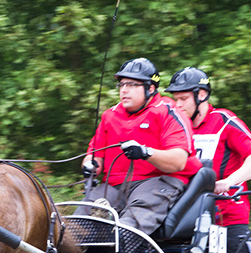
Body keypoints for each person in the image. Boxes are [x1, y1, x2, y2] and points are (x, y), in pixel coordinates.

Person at [80, 57, 202, 234]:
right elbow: (94, 156)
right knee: (75, 228)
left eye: (132, 85)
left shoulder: (168, 111)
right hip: (114, 185)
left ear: (150, 88)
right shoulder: (110, 116)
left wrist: (146, 152)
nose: (124, 90)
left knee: (125, 233)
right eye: (121, 85)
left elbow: (178, 162)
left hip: (158, 181)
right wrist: (89, 165)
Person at [166, 67, 251, 253]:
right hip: (185, 219)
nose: (177, 105)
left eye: (183, 99)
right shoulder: (173, 127)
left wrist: (228, 182)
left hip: (226, 218)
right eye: (174, 99)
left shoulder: (223, 121)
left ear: (201, 95)